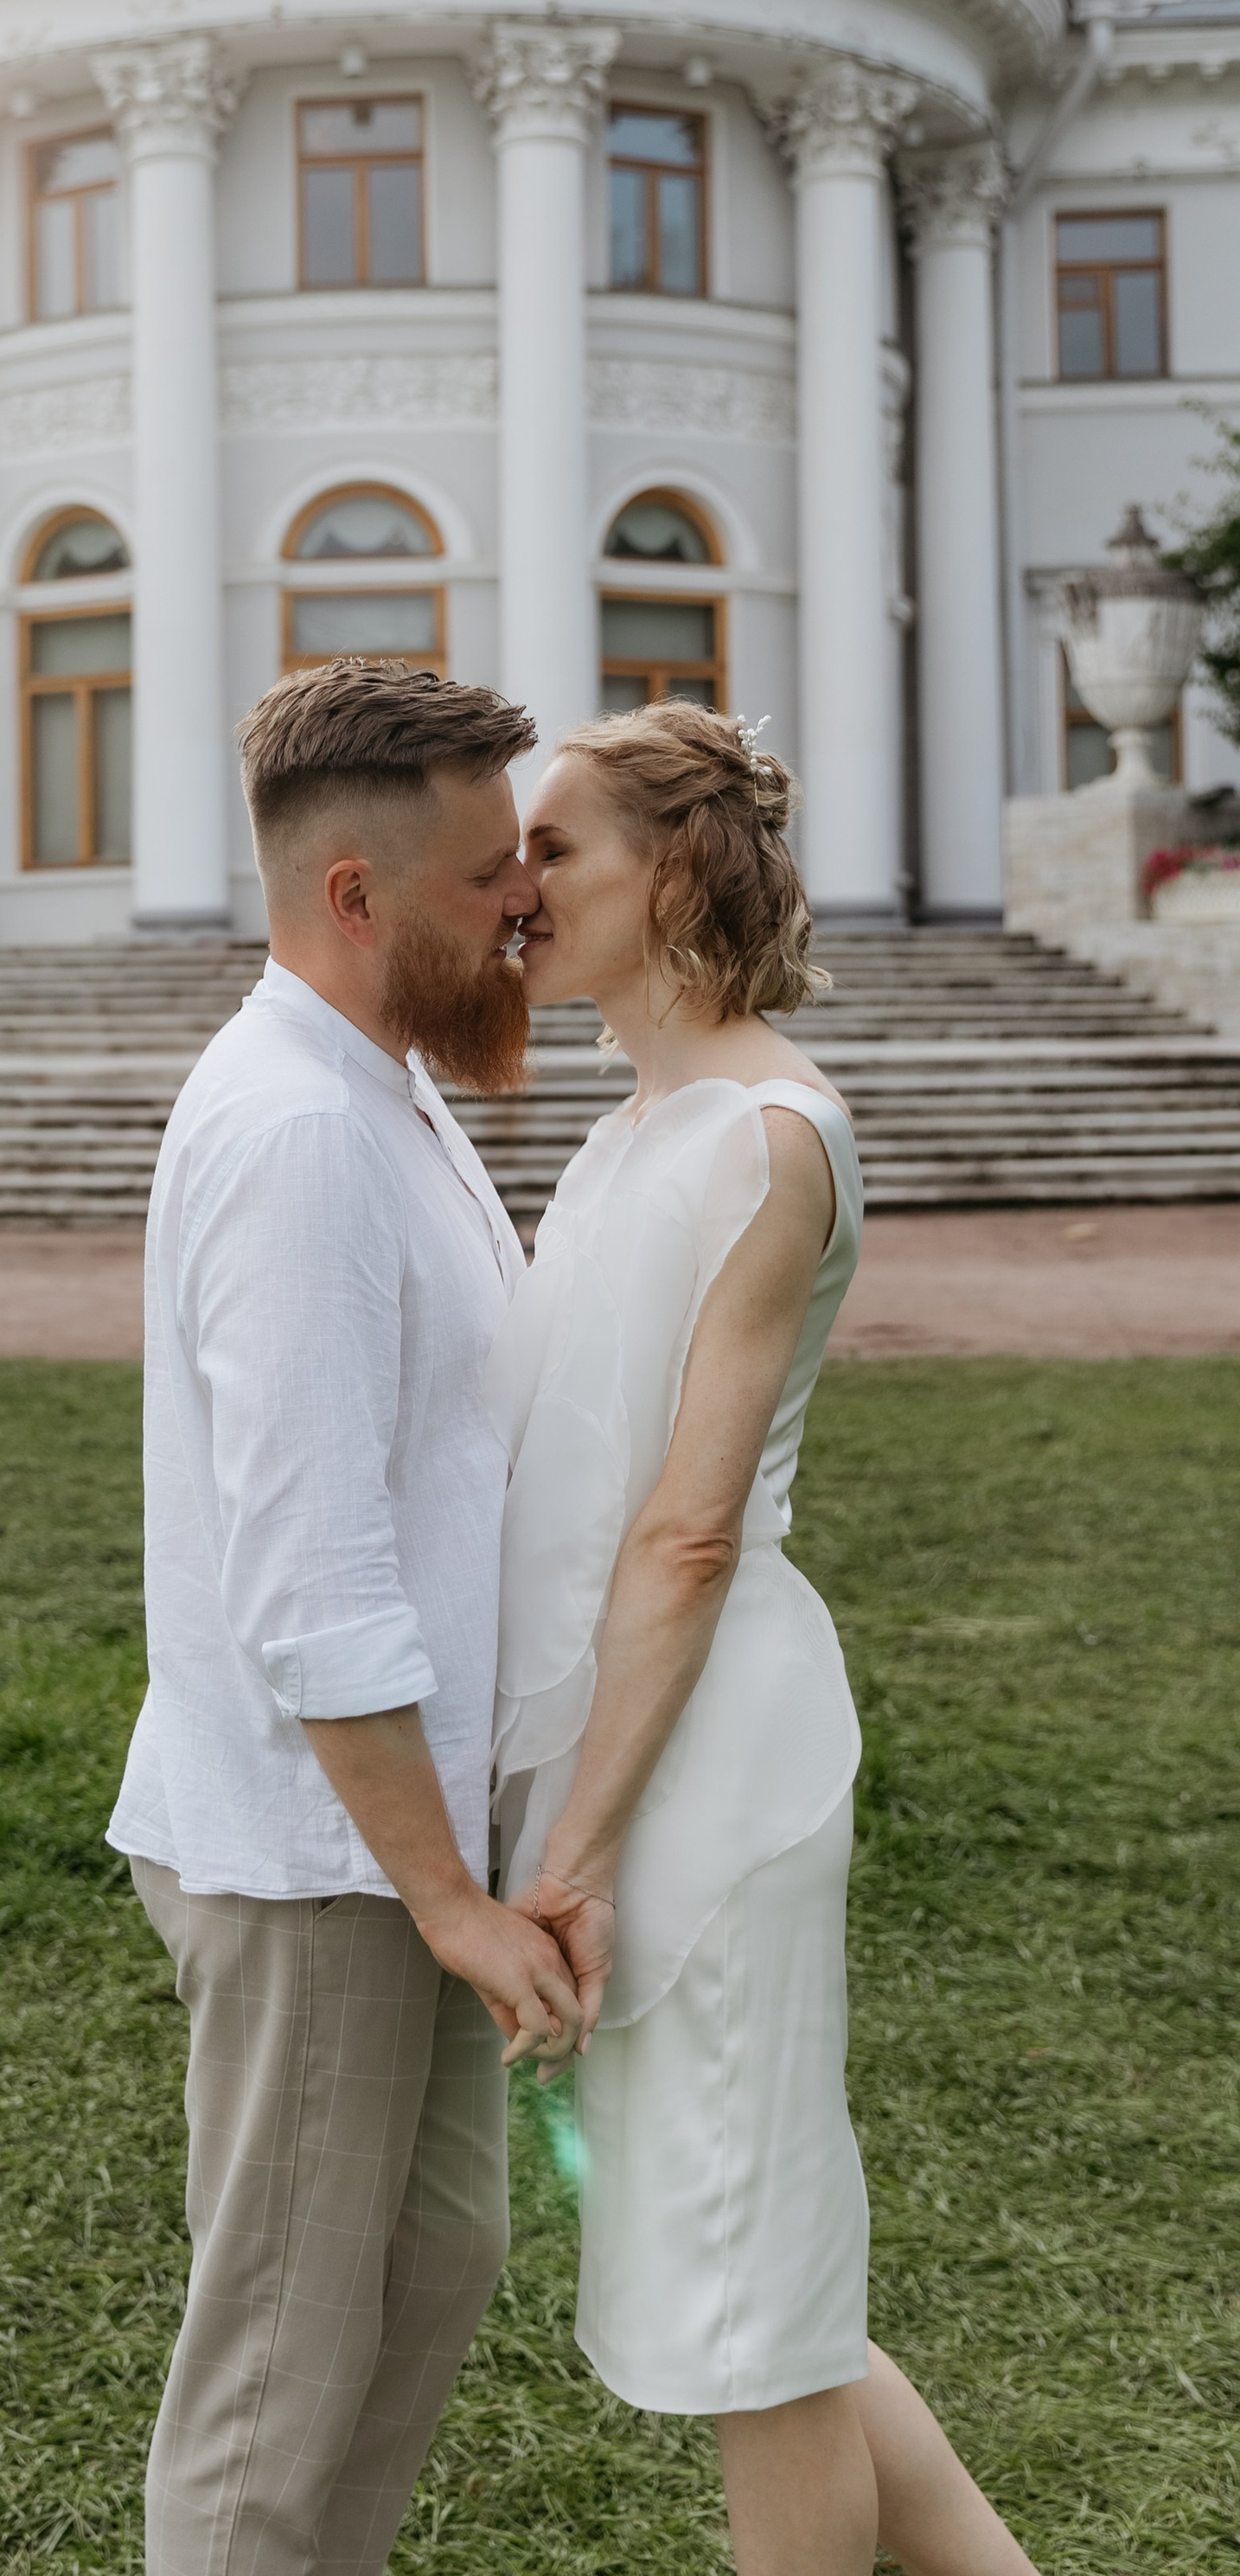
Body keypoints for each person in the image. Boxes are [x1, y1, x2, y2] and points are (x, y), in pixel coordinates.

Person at [495, 702, 1040, 2576]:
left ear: (675, 872)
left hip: (706, 1769)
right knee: (759, 2281)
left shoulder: (768, 1136)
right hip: (619, 1752)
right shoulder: (625, 1130)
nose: (514, 883)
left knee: (764, 2328)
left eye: (553, 846)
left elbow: (688, 1533)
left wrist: (572, 1855)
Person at [107, 658, 582, 2576]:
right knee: (276, 2389)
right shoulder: (295, 1133)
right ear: (354, 895)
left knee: (426, 2265)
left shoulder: (386, 1091)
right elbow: (310, 1578)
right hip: (325, 1861)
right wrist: (448, 1897)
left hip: (405, 1841)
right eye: (490, 875)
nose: (529, 903)